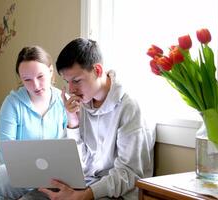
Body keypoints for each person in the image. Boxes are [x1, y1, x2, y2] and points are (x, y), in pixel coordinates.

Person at [39, 38, 155, 200]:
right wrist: (73, 123)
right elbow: (81, 165)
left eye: (77, 80)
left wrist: (85, 195)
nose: (71, 89)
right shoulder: (82, 103)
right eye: (67, 82)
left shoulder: (129, 107)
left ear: (98, 70)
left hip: (119, 193)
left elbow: (129, 174)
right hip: (87, 183)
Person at [0, 46, 67, 200]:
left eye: (40, 76)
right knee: (1, 175)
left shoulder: (63, 101)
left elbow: (71, 144)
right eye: (27, 80)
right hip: (20, 175)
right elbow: (6, 150)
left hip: (54, 175)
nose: (36, 85)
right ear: (21, 79)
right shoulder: (12, 103)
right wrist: (30, 174)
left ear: (51, 71)